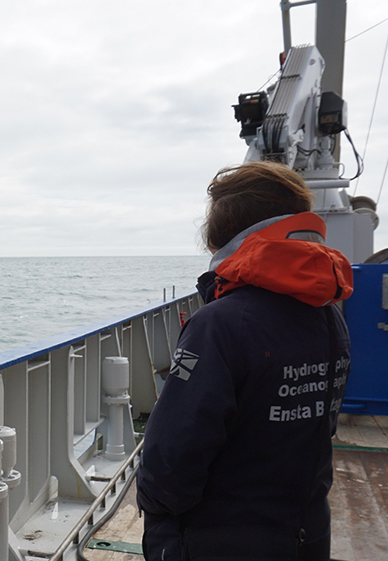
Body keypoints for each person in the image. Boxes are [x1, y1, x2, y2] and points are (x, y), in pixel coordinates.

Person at [136, 162, 353, 561]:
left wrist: (157, 514)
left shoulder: (220, 323)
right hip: (305, 532)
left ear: (223, 239)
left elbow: (171, 465)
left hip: (218, 540)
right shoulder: (328, 313)